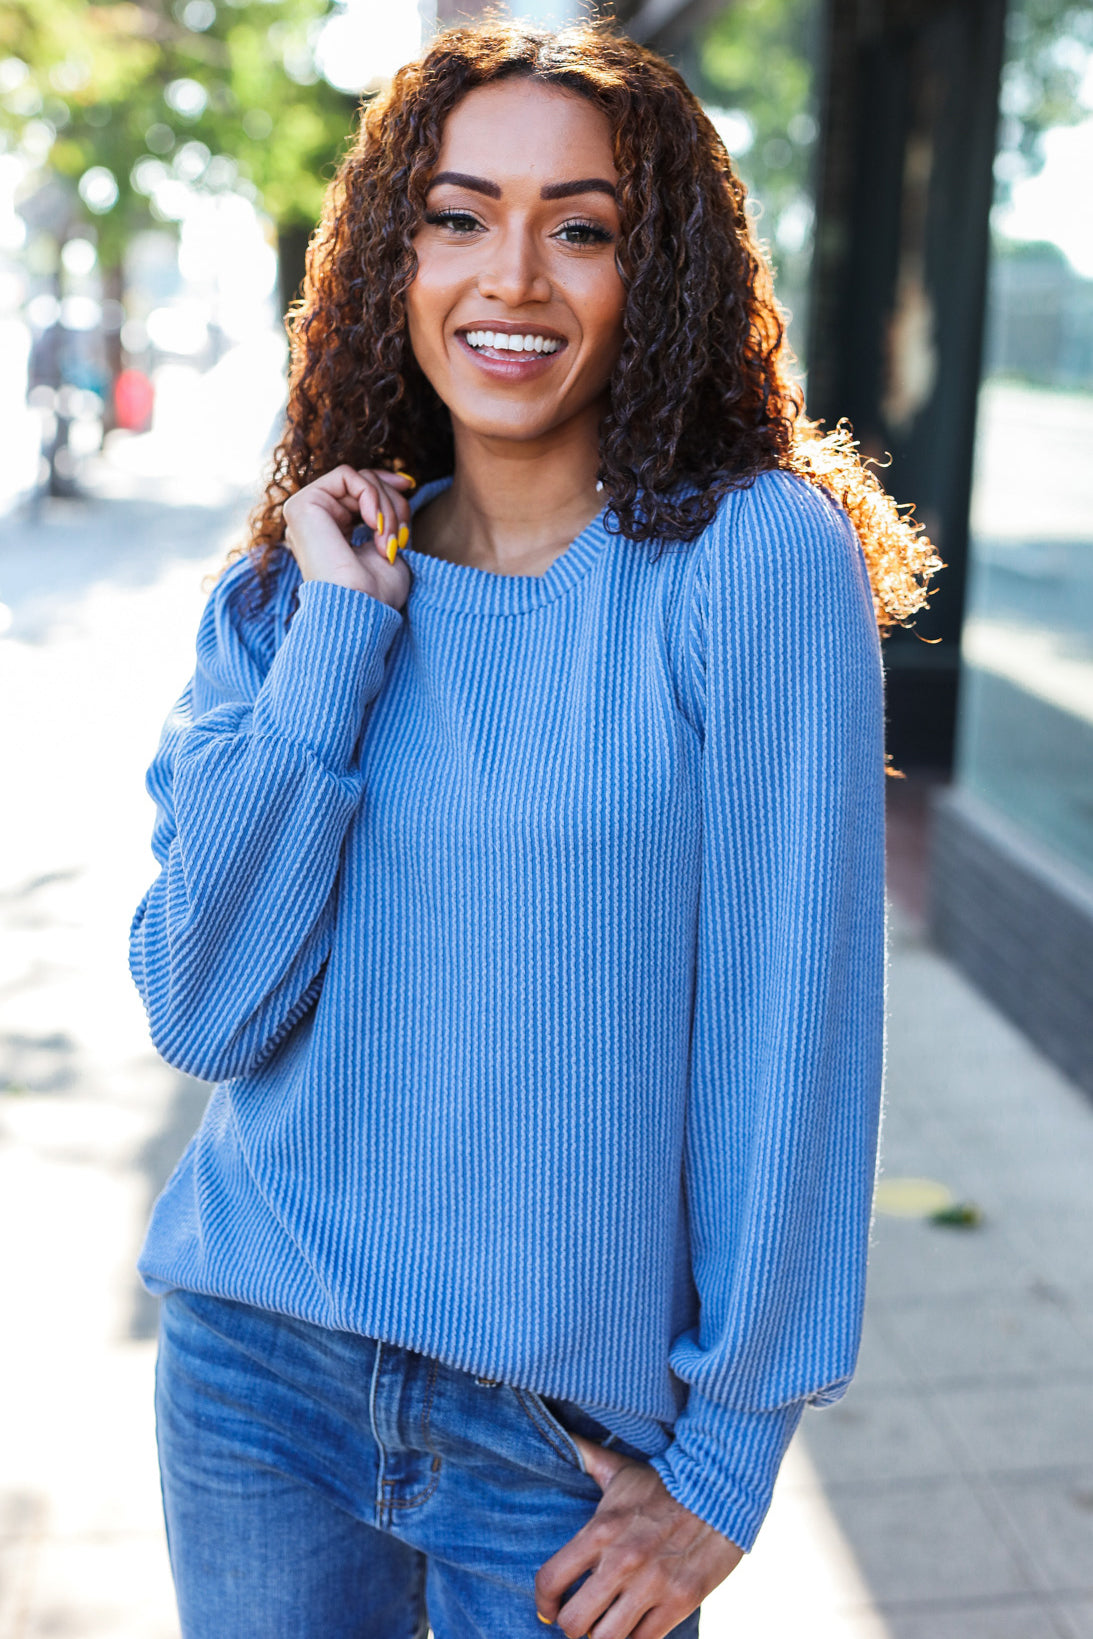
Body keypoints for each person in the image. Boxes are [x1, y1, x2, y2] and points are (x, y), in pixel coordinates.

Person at [129, 19, 940, 1639]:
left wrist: (727, 1460)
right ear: (391, 257)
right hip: (254, 1375)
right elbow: (205, 1010)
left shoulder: (748, 568)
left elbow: (796, 1027)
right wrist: (335, 652)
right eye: (457, 216)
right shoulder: (293, 591)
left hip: (560, 1452)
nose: (512, 278)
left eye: (582, 229)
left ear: (662, 277)